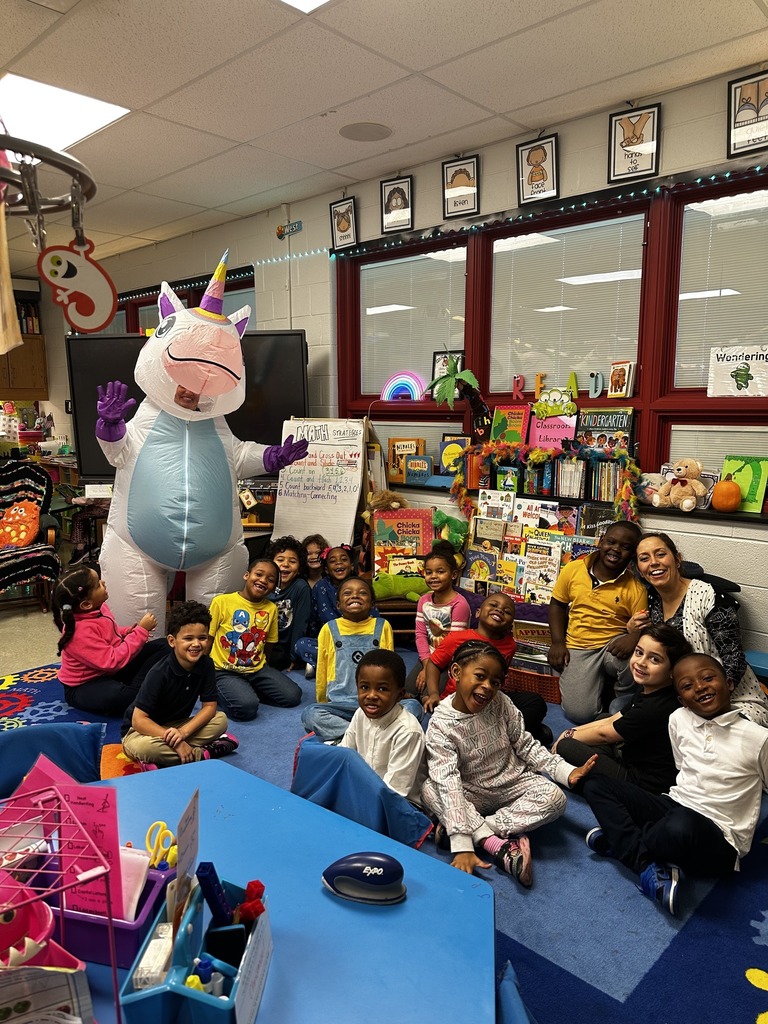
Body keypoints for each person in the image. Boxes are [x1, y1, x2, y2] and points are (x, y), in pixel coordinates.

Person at [581, 654, 768, 916]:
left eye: (707, 678)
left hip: (720, 838)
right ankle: (646, 862)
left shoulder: (758, 738)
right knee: (596, 784)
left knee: (680, 824)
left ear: (729, 683)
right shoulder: (679, 718)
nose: (700, 687)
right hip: (673, 805)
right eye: (687, 686)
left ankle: (624, 841)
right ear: (681, 699)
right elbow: (682, 768)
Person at [421, 640, 595, 885]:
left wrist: (564, 770)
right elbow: (448, 783)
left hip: (513, 781)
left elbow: (525, 744)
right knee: (431, 789)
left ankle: (479, 831)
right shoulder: (440, 724)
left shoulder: (501, 703)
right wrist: (461, 846)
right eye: (480, 676)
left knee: (555, 798)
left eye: (495, 682)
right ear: (457, 672)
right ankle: (491, 843)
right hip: (472, 791)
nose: (488, 687)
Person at [631, 532, 768, 727]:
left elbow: (733, 659)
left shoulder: (711, 597)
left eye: (660, 554)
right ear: (639, 569)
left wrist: (705, 701)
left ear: (677, 559)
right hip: (677, 695)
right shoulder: (651, 600)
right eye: (644, 558)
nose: (653, 562)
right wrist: (632, 629)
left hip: (726, 697)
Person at [555, 624, 692, 793]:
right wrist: (571, 731)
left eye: (655, 659)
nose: (641, 663)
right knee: (602, 718)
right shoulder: (651, 689)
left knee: (566, 747)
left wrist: (566, 736)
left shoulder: (655, 707)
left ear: (673, 671)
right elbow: (614, 718)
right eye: (639, 652)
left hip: (640, 783)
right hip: (632, 757)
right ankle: (588, 775)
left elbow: (604, 735)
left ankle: (594, 785)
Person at [548, 520, 647, 724]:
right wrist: (558, 642)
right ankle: (599, 704)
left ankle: (623, 704)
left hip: (613, 645)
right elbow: (557, 605)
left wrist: (633, 638)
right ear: (601, 542)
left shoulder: (636, 588)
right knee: (579, 715)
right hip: (579, 645)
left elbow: (642, 624)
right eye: (611, 542)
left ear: (633, 555)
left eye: (626, 547)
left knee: (636, 657)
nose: (616, 550)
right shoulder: (574, 569)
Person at [301, 576, 421, 743]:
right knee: (310, 714)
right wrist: (322, 700)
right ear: (338, 605)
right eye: (347, 593)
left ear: (372, 604)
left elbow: (391, 665)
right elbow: (322, 669)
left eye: (362, 593)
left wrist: (396, 694)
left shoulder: (382, 626)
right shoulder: (329, 629)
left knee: (414, 707)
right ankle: (375, 736)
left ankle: (351, 737)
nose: (355, 596)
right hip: (342, 703)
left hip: (380, 702)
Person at [422, 592, 551, 746]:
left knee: (536, 703)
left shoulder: (510, 646)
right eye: (493, 605)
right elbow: (434, 663)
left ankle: (507, 734)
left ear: (510, 625)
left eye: (507, 611)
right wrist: (434, 693)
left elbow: (499, 678)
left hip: (490, 698)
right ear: (478, 612)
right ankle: (515, 735)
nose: (499, 610)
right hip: (462, 702)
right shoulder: (457, 638)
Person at [121, 601, 238, 769]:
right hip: (141, 732)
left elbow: (210, 707)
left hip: (178, 726)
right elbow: (138, 720)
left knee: (221, 720)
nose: (196, 644)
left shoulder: (206, 665)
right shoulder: (159, 673)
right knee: (143, 747)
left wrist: (183, 733)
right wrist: (176, 742)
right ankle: (203, 753)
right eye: (188, 638)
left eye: (202, 638)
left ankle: (164, 760)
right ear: (172, 641)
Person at [53, 563, 167, 716]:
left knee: (165, 646)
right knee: (121, 697)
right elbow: (112, 661)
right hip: (85, 685)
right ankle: (142, 693)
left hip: (110, 671)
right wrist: (140, 632)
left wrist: (128, 631)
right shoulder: (79, 632)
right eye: (98, 584)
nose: (103, 583)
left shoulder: (99, 608)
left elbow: (109, 632)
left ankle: (142, 690)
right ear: (86, 604)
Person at [209, 557, 302, 720]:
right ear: (246, 575)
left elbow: (269, 643)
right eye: (259, 574)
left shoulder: (271, 608)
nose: (263, 580)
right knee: (247, 709)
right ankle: (223, 691)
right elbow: (207, 638)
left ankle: (246, 689)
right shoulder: (221, 602)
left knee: (293, 696)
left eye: (271, 579)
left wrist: (262, 664)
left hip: (256, 669)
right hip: (224, 671)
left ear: (274, 587)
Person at [339, 649, 427, 803]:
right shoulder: (360, 714)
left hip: (400, 804)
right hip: (368, 791)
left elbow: (394, 792)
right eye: (364, 687)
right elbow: (344, 755)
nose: (371, 696)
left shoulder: (408, 731)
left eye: (382, 689)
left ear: (400, 695)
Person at [294, 544, 374, 679]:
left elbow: (374, 617)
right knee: (301, 645)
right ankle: (349, 665)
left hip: (361, 639)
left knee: (378, 650)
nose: (338, 563)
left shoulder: (361, 584)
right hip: (333, 643)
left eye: (344, 559)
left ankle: (327, 665)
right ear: (326, 568)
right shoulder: (320, 588)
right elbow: (314, 620)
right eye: (333, 561)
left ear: (352, 565)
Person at [404, 541, 471, 699]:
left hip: (450, 661)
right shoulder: (424, 601)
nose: (433, 576)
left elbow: (453, 645)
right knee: (405, 693)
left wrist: (430, 668)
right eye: (429, 572)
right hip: (428, 658)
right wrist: (426, 664)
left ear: (453, 575)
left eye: (440, 572)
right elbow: (420, 634)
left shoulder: (459, 604)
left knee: (428, 698)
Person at [266, 535, 311, 671]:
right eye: (280, 560)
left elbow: (300, 625)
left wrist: (294, 657)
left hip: (283, 647)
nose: (285, 564)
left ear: (299, 569)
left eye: (292, 561)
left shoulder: (300, 587)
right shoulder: (263, 585)